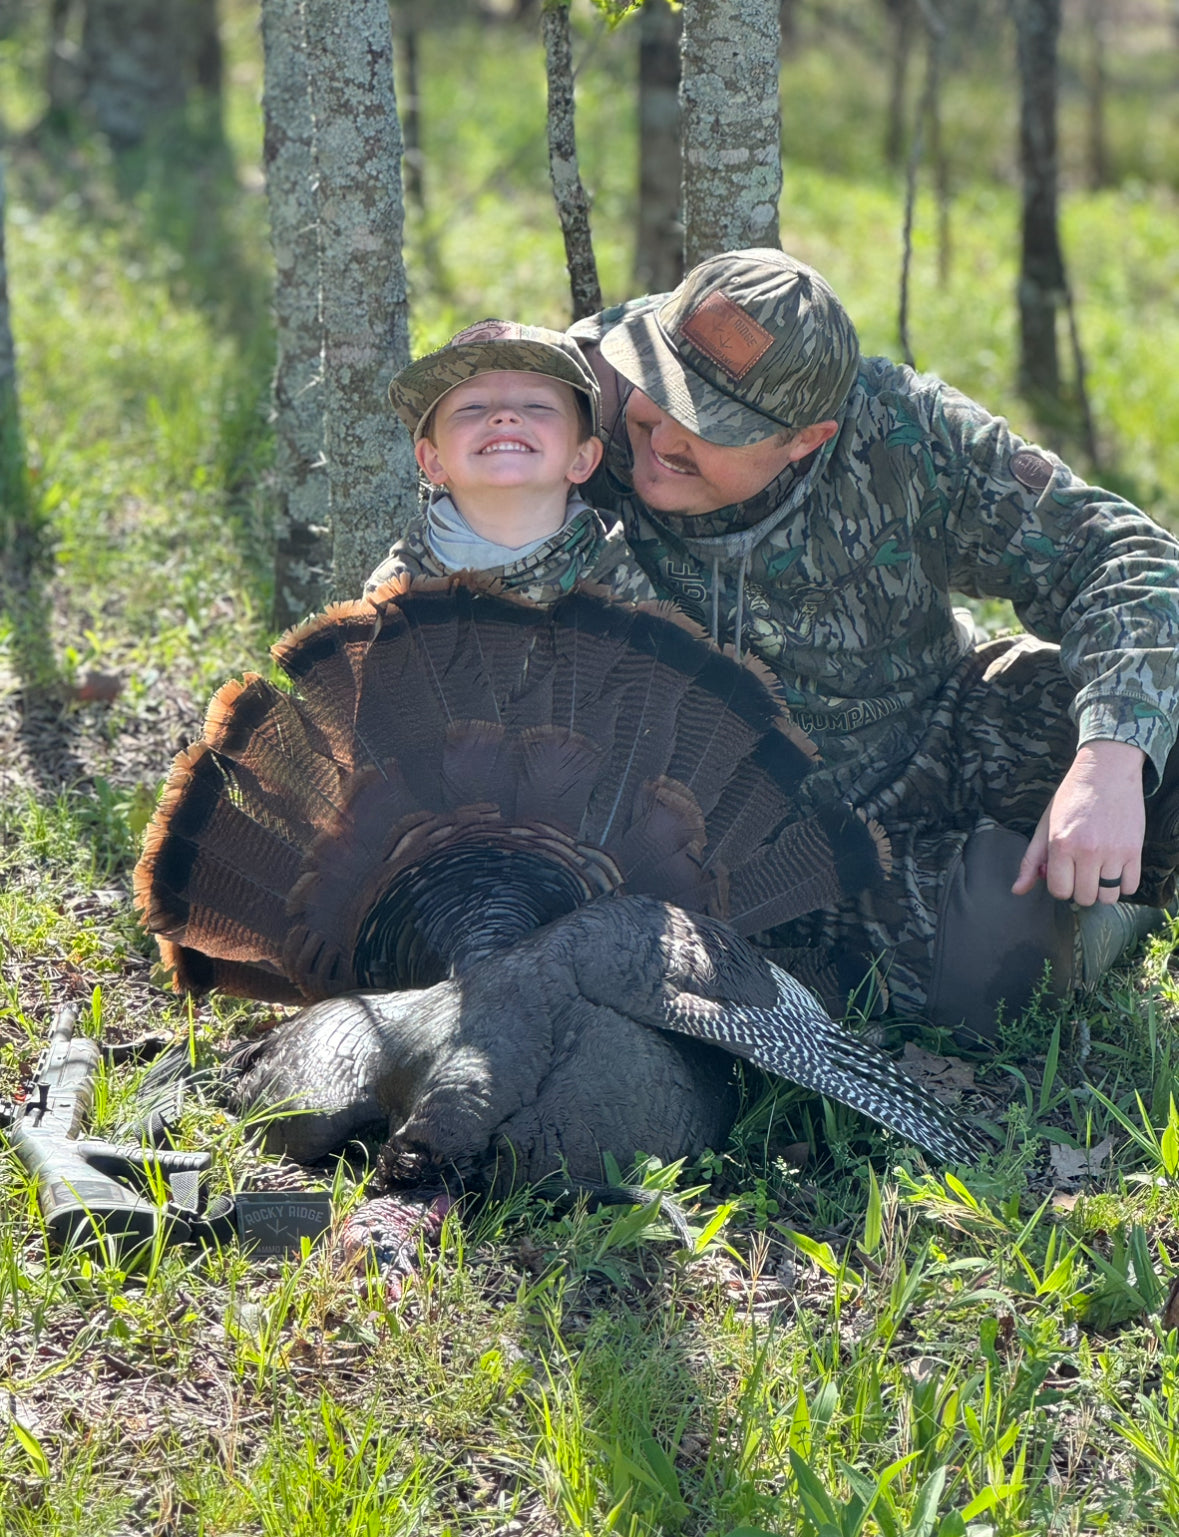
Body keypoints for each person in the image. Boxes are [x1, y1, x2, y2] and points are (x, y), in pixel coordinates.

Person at [565, 247, 1179, 1042]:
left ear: (806, 439)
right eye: (663, 393)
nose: (667, 436)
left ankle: (1092, 866)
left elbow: (1121, 555)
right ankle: (1090, 909)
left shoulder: (899, 427)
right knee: (999, 971)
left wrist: (1108, 761)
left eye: (711, 425)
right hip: (786, 844)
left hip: (944, 718)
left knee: (1156, 728)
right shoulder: (564, 403)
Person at [366, 319, 656, 607]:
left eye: (537, 405)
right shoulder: (397, 592)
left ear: (582, 459)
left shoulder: (618, 585)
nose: (504, 415)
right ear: (433, 461)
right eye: (472, 406)